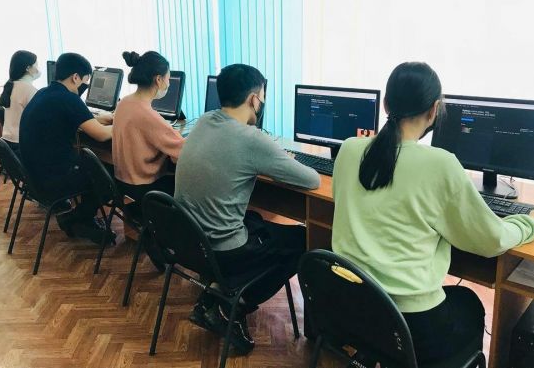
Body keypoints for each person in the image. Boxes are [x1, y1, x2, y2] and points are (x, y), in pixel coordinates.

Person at [331, 62, 534, 365]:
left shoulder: (349, 149)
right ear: (434, 110)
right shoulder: (440, 165)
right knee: (469, 303)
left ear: (386, 104)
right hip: (410, 328)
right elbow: (492, 240)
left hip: (350, 307)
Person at [174, 64, 321, 354]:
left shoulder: (204, 121)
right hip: (223, 250)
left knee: (253, 218)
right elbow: (312, 180)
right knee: (304, 242)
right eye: (262, 97)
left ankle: (215, 293)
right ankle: (232, 306)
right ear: (254, 99)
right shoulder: (252, 139)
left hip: (190, 242)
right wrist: (281, 159)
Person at [19, 52, 115, 244]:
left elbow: (74, 118)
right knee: (108, 178)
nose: (85, 87)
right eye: (86, 81)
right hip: (53, 179)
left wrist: (97, 119)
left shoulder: (45, 93)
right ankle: (77, 218)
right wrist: (124, 122)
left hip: (33, 175)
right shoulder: (68, 99)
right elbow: (102, 135)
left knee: (94, 167)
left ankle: (79, 219)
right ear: (75, 77)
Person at [112, 51, 184, 202]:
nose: (169, 84)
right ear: (158, 79)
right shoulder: (147, 115)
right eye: (168, 79)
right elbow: (182, 152)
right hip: (144, 189)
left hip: (123, 184)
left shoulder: (124, 102)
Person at [0, 50, 39, 153]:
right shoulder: (29, 90)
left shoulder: (12, 85)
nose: (38, 68)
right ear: (28, 68)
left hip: (8, 143)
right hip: (22, 145)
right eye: (36, 65)